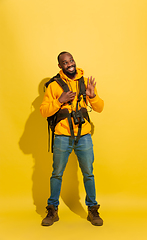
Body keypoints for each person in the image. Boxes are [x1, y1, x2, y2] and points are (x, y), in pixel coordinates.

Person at [40, 51, 104, 226]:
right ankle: (52, 210)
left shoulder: (85, 82)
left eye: (71, 60)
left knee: (88, 174)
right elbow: (44, 111)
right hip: (62, 136)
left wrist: (92, 96)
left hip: (83, 136)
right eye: (65, 62)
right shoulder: (53, 86)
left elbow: (99, 108)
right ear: (60, 66)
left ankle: (92, 210)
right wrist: (59, 100)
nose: (69, 64)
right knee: (57, 174)